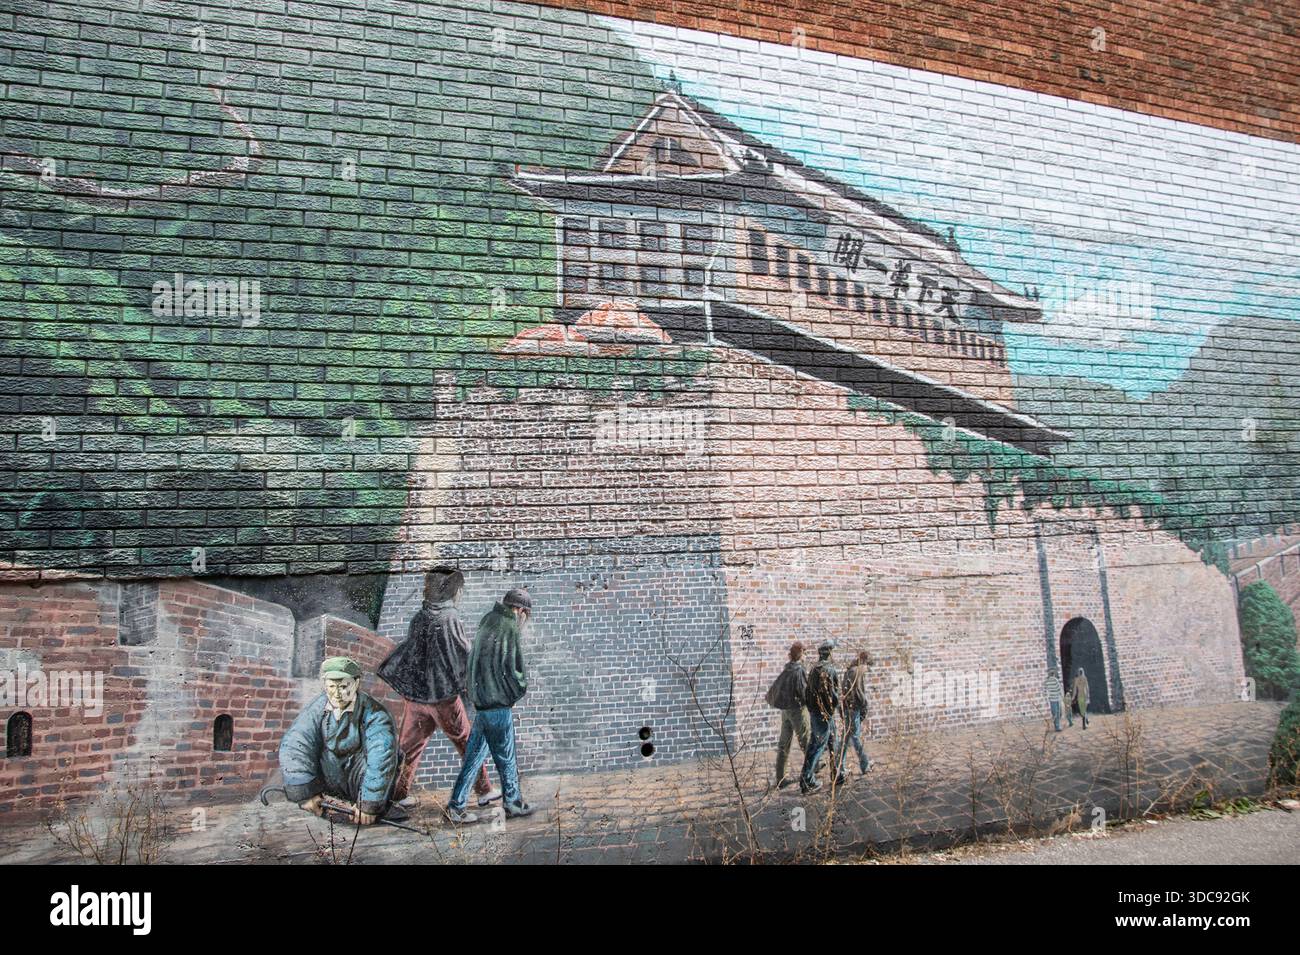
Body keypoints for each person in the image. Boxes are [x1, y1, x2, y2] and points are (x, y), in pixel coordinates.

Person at [378, 567, 500, 810]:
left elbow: (411, 656)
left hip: (416, 697)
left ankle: (398, 794)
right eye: (459, 590)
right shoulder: (449, 618)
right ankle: (484, 791)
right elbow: (463, 654)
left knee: (409, 746)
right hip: (442, 697)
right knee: (466, 741)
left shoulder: (420, 617)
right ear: (452, 592)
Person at [445, 588, 536, 824]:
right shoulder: (509, 626)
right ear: (519, 610)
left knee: (473, 758)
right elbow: (514, 669)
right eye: (525, 614)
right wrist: (516, 692)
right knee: (506, 758)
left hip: (482, 705)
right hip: (498, 705)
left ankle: (455, 805)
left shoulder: (488, 620)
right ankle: (513, 803)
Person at [279, 656, 399, 825]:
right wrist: (306, 793)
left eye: (343, 686)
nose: (337, 693)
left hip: (359, 783)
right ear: (325, 685)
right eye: (331, 687)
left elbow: (382, 755)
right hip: (327, 786)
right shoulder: (317, 709)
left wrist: (368, 803)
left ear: (356, 684)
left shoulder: (375, 713)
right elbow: (295, 743)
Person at [766, 642, 810, 788]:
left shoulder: (787, 669)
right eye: (804, 653)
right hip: (797, 710)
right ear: (801, 654)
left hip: (786, 711)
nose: (806, 656)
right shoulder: (799, 670)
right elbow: (804, 692)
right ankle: (811, 775)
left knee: (783, 744)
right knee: (806, 741)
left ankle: (780, 779)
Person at [799, 641, 841, 794]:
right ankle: (807, 781)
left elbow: (808, 692)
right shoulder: (829, 669)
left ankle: (838, 774)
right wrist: (835, 707)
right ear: (829, 652)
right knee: (818, 746)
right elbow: (834, 695)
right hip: (824, 714)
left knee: (833, 742)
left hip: (817, 712)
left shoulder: (814, 669)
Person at [838, 650, 873, 776]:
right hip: (853, 708)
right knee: (855, 738)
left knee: (845, 738)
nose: (868, 670)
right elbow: (858, 693)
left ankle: (839, 767)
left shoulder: (851, 670)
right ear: (864, 663)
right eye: (868, 666)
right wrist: (864, 705)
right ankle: (865, 763)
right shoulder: (856, 672)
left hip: (848, 708)